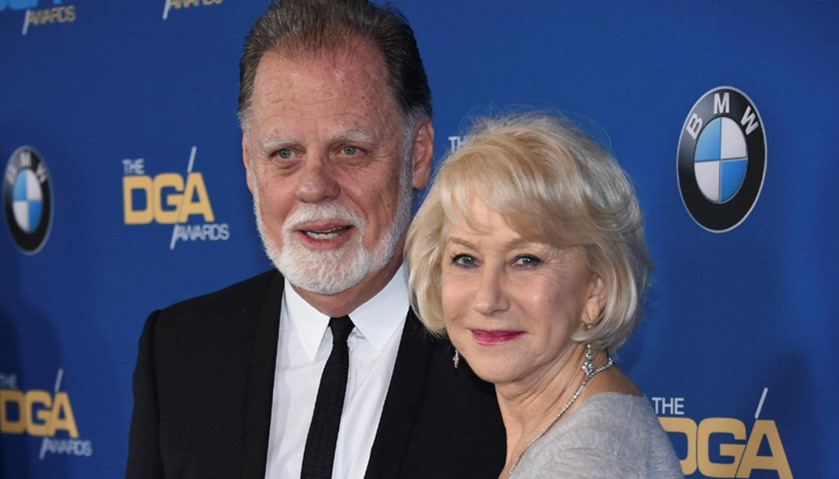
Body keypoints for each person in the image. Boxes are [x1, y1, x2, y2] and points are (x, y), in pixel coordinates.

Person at [125, 1, 505, 478]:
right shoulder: (178, 350)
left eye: (349, 149)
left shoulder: (498, 353)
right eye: (284, 153)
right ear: (249, 163)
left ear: (418, 153)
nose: (314, 186)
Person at [406, 113, 684, 478]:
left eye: (526, 260)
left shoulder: (586, 462)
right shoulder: (568, 425)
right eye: (466, 259)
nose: (487, 299)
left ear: (596, 288)